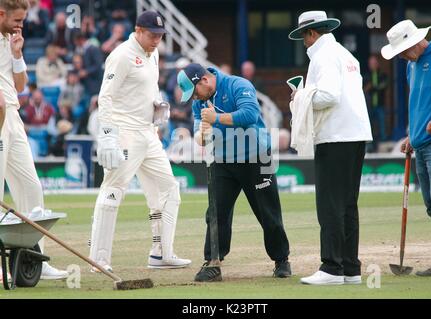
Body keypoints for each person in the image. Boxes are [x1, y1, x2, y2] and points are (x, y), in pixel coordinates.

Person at [89, 11, 191, 272]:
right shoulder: (122, 55)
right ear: (138, 30)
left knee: (169, 190)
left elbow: (147, 88)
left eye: (160, 35)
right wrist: (109, 136)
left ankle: (161, 254)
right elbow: (106, 97)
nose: (157, 40)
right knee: (112, 191)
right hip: (124, 132)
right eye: (152, 35)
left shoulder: (153, 53)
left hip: (148, 133)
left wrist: (156, 107)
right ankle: (98, 260)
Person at [177, 63, 291, 282]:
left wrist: (216, 119)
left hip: (257, 157)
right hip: (223, 161)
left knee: (268, 212)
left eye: (194, 93)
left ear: (203, 80)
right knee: (216, 214)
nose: (194, 99)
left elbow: (249, 114)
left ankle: (281, 259)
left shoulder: (238, 84)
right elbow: (199, 136)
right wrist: (202, 134)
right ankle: (213, 262)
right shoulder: (200, 102)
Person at [288, 11, 372, 285]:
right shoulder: (346, 55)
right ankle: (350, 268)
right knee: (348, 204)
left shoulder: (323, 56)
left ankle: (332, 268)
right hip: (356, 134)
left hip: (336, 136)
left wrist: (300, 96)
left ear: (311, 33)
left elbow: (328, 96)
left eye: (304, 37)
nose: (304, 43)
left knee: (330, 205)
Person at [0, 0, 68, 280]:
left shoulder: (9, 39)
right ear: (0, 13)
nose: (21, 25)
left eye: (23, 20)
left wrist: (17, 54)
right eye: (16, 19)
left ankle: (33, 259)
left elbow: (20, 84)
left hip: (12, 116)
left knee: (31, 188)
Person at [381, 20, 431, 276]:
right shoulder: (412, 65)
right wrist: (412, 134)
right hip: (421, 144)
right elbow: (418, 103)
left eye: (402, 50)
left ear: (415, 42)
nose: (400, 56)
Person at [364, 54, 388, 152]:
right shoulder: (366, 76)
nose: (372, 65)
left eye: (374, 63)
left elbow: (383, 86)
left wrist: (372, 88)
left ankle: (382, 145)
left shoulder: (382, 75)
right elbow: (364, 89)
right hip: (369, 106)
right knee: (370, 127)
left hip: (380, 105)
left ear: (377, 64)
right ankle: (371, 145)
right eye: (371, 63)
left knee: (382, 126)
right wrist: (372, 88)